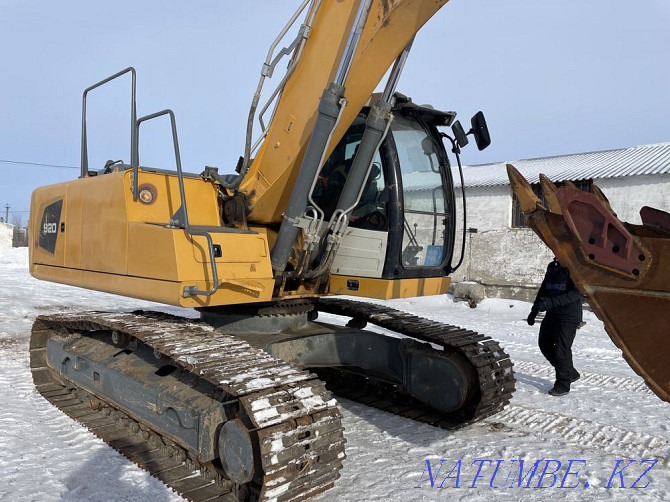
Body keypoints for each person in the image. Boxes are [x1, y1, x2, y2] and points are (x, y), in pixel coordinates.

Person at [527, 258, 583, 396]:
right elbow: (544, 289)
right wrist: (534, 311)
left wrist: (549, 304)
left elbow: (577, 292)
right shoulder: (552, 266)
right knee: (544, 344)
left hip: (569, 316)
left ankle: (563, 384)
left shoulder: (575, 267)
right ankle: (570, 371)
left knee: (561, 350)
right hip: (552, 313)